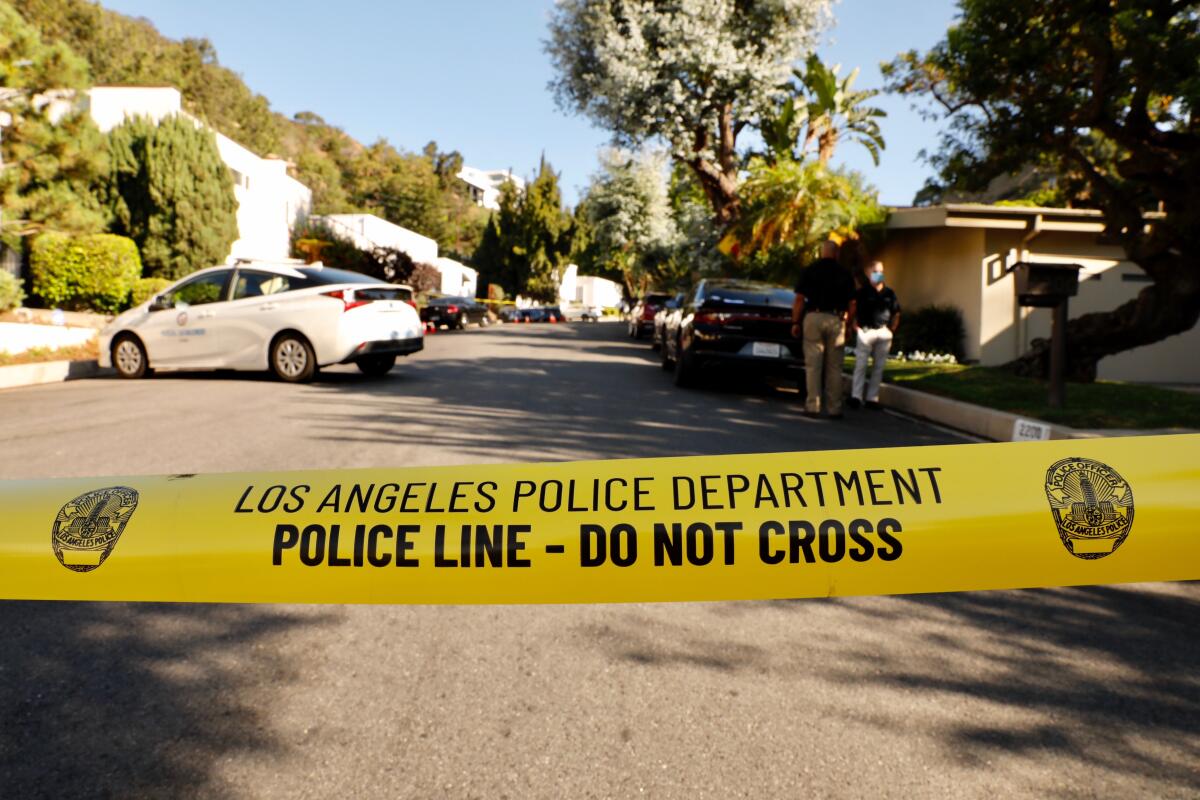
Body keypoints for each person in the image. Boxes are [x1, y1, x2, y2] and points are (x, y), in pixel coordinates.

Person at [792, 240, 856, 419]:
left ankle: (813, 406)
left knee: (813, 365)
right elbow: (852, 303)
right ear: (836, 254)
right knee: (835, 367)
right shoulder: (845, 274)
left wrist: (795, 322)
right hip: (836, 319)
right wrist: (849, 324)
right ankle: (835, 408)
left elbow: (799, 299)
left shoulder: (810, 270)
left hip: (813, 316)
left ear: (821, 253)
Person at [849, 261, 901, 410]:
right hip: (865, 331)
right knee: (861, 364)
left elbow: (896, 312)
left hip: (883, 332)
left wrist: (891, 330)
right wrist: (853, 326)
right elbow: (852, 308)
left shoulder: (889, 293)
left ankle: (872, 398)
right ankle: (856, 396)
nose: (879, 274)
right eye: (876, 271)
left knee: (878, 367)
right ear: (869, 273)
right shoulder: (862, 292)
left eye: (881, 271)